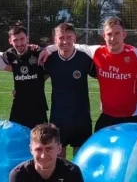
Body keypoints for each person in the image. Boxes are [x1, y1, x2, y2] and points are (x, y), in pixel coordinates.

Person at [40, 23, 95, 158]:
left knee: (81, 160)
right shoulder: (49, 60)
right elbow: (37, 81)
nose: (65, 41)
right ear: (55, 40)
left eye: (68, 37)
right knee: (59, 162)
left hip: (81, 118)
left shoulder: (85, 59)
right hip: (58, 118)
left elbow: (104, 78)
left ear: (74, 38)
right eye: (61, 38)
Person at [3, 24, 48, 129]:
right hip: (18, 106)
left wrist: (38, 81)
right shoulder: (8, 55)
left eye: (22, 39)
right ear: (10, 41)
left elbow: (49, 72)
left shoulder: (38, 53)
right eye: (15, 40)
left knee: (39, 139)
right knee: (15, 138)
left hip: (38, 106)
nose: (19, 43)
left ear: (27, 38)